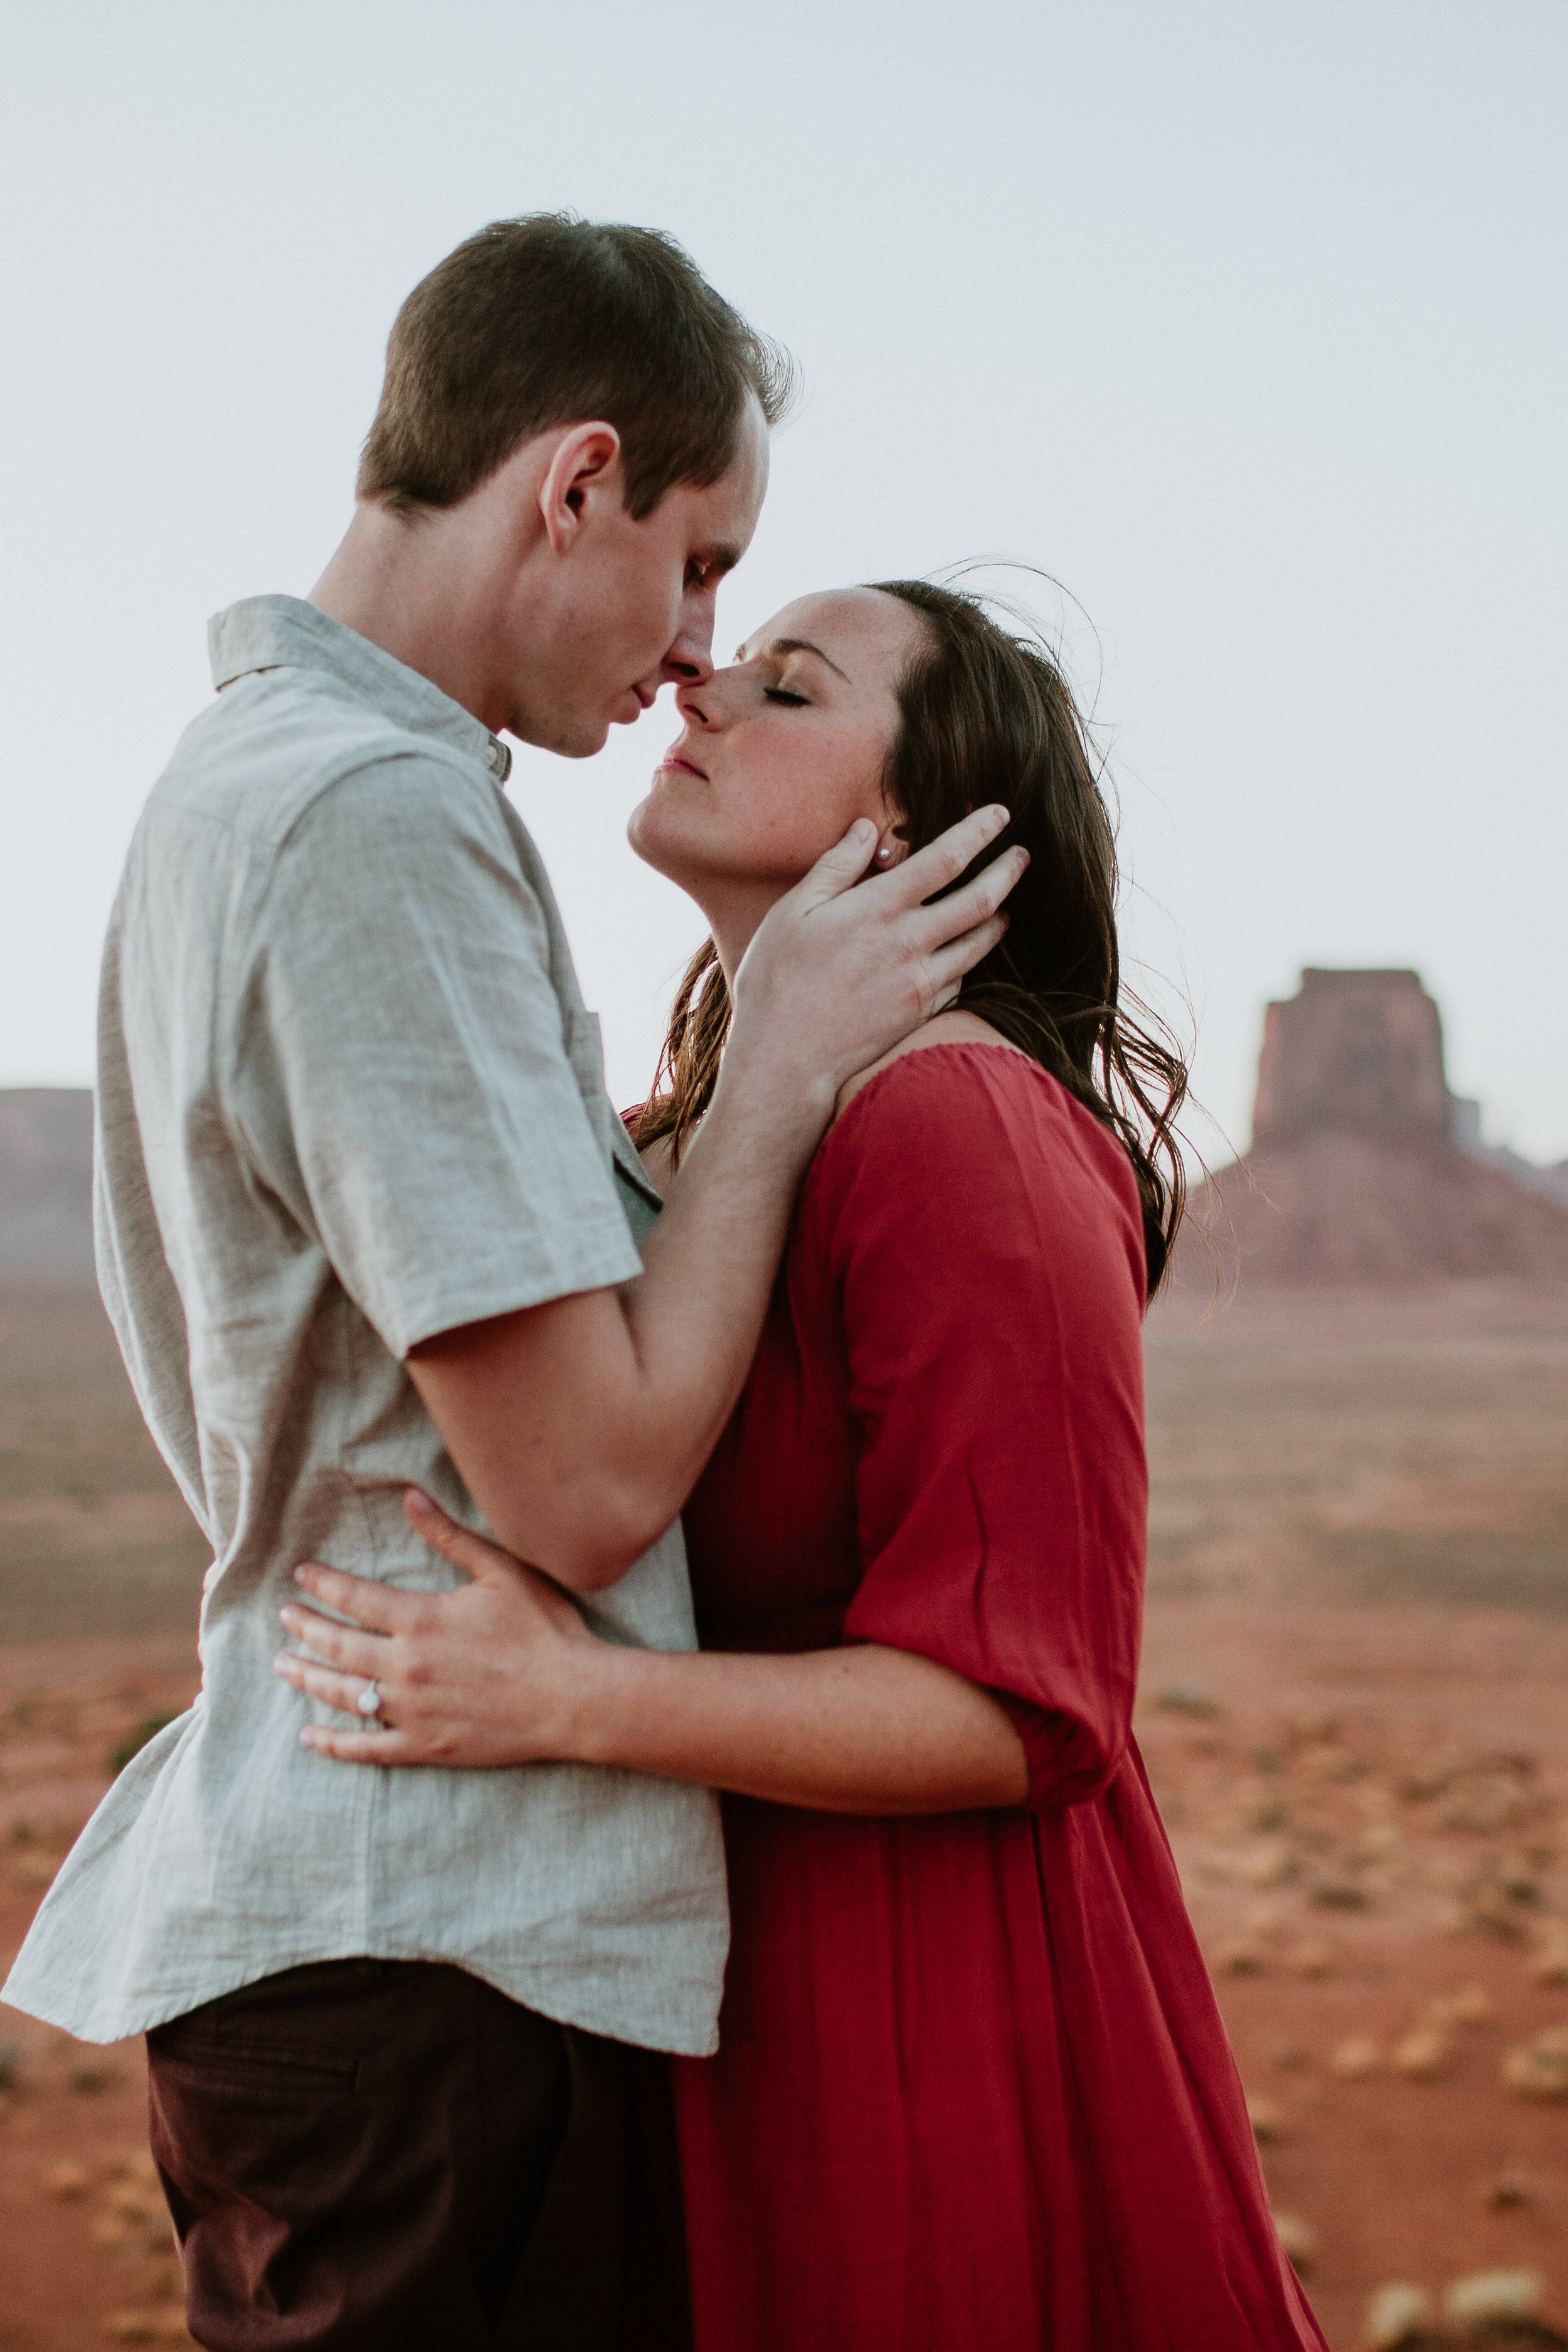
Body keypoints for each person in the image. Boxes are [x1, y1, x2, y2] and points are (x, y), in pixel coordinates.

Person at [1, 223, 1022, 2352]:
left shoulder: (254, 778)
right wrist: (782, 1069)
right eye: (701, 561)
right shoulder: (373, 818)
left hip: (379, 1958)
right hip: (429, 1967)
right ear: (575, 482)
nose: (691, 648)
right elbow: (577, 1492)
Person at [279, 578, 1332, 2350]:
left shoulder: (957, 1123)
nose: (698, 684)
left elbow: (1029, 1706)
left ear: (902, 820)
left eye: (785, 686)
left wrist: (572, 1702)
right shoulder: (694, 1145)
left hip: (933, 2029)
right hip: (723, 2005)